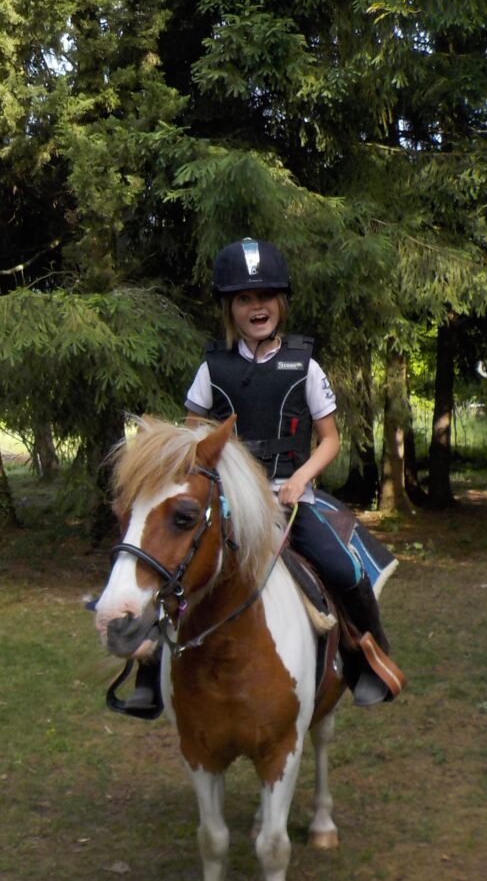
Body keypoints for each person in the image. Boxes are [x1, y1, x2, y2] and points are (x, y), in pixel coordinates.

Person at [117, 237, 404, 717]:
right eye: (245, 299)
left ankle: (366, 659)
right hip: (229, 504)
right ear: (230, 308)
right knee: (177, 567)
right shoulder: (212, 369)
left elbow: (329, 439)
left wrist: (301, 480)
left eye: (266, 296)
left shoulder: (305, 366)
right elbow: (192, 444)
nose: (257, 307)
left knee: (343, 569)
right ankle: (149, 673)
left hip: (292, 498)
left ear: (281, 303)